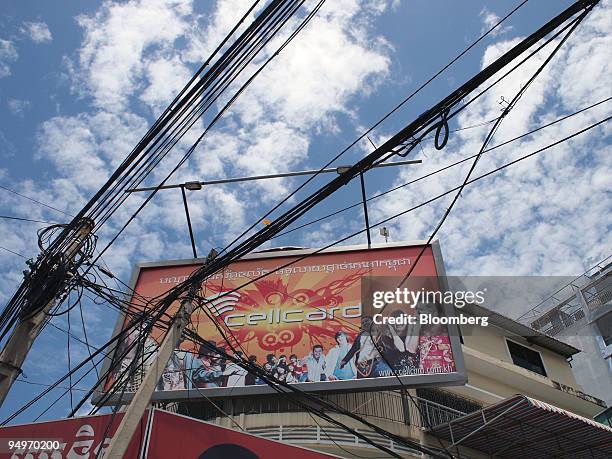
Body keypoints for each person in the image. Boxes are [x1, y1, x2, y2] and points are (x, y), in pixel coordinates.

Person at [379, 309, 420, 374]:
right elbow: (401, 349)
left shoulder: (412, 338)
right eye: (394, 320)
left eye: (401, 319)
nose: (398, 322)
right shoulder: (386, 340)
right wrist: (391, 329)